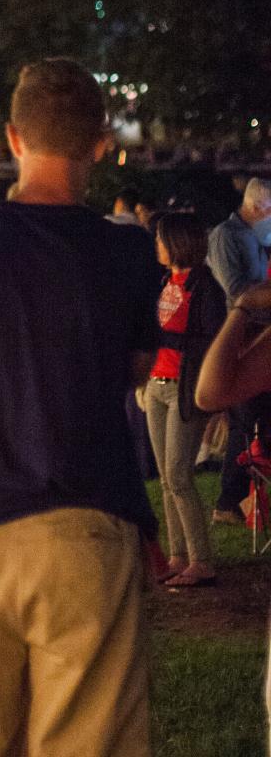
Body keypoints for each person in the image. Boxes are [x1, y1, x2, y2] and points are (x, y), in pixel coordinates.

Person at [0, 58, 162, 755]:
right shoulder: (129, 252)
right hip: (87, 529)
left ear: (14, 139)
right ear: (101, 144)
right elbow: (133, 372)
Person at [140, 211, 223, 588]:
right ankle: (178, 554)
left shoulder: (205, 287)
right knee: (165, 476)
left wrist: (167, 341)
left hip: (183, 388)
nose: (156, 244)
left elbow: (210, 341)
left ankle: (201, 559)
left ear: (177, 243)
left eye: (160, 238)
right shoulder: (162, 280)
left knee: (178, 474)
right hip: (155, 386)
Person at [204, 176, 271, 524]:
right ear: (258, 207)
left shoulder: (257, 237)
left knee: (254, 421)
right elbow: (236, 290)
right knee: (244, 422)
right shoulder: (226, 237)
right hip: (242, 337)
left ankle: (241, 498)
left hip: (259, 333)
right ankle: (229, 501)